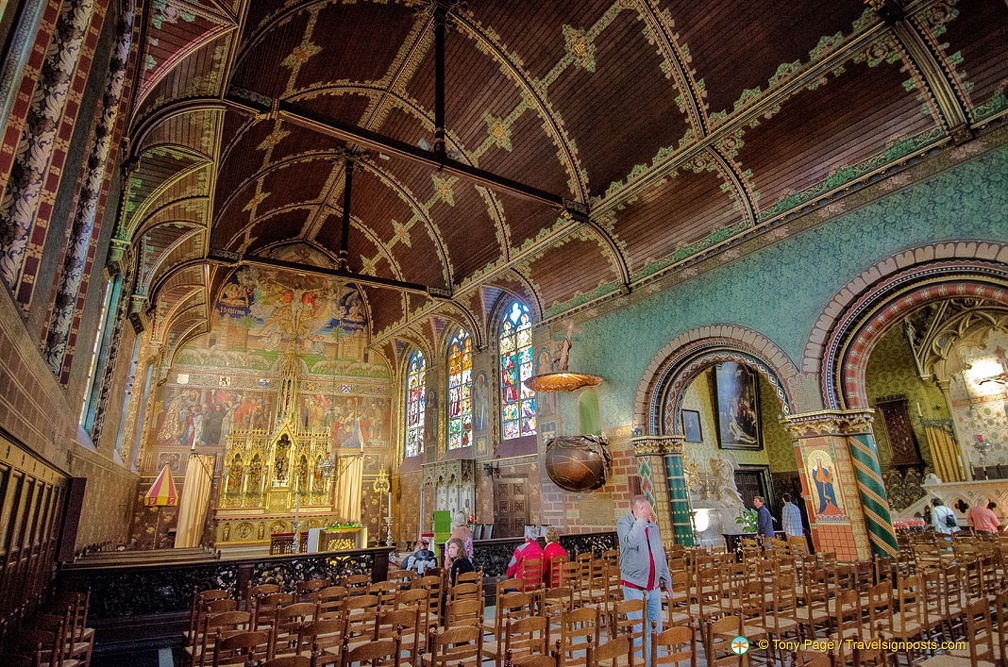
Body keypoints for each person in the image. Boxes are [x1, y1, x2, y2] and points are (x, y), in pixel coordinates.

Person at [617, 495, 672, 667]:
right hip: (634, 585)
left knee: (656, 628)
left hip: (654, 585)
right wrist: (640, 521)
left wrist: (667, 581)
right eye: (647, 510)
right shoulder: (623, 523)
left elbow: (659, 554)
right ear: (638, 509)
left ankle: (653, 663)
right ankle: (642, 664)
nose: (650, 513)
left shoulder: (653, 527)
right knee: (639, 629)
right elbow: (630, 541)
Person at [506, 525, 544, 591]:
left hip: (521, 587)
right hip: (536, 587)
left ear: (526, 536)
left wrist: (508, 576)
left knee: (502, 588)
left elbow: (511, 567)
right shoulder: (540, 550)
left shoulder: (520, 549)